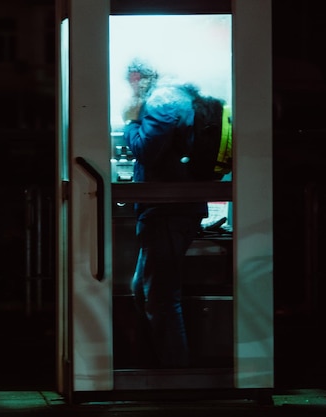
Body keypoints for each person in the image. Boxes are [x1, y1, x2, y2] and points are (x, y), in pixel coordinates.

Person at [122, 59, 207, 368]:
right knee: (143, 289)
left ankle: (175, 371)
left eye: (135, 79)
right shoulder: (180, 97)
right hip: (171, 208)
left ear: (147, 76)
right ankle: (157, 362)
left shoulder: (163, 101)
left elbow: (146, 149)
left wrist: (131, 121)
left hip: (167, 210)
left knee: (161, 297)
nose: (132, 85)